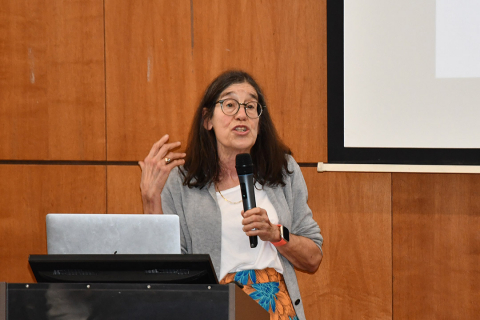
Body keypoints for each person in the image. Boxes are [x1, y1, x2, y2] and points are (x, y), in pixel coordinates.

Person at [139, 70, 323, 320]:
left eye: (251, 106)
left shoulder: (283, 171)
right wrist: (151, 201)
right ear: (208, 120)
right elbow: (165, 270)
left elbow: (313, 258)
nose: (241, 114)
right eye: (229, 104)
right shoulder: (182, 181)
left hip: (275, 307)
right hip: (211, 306)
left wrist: (276, 234)